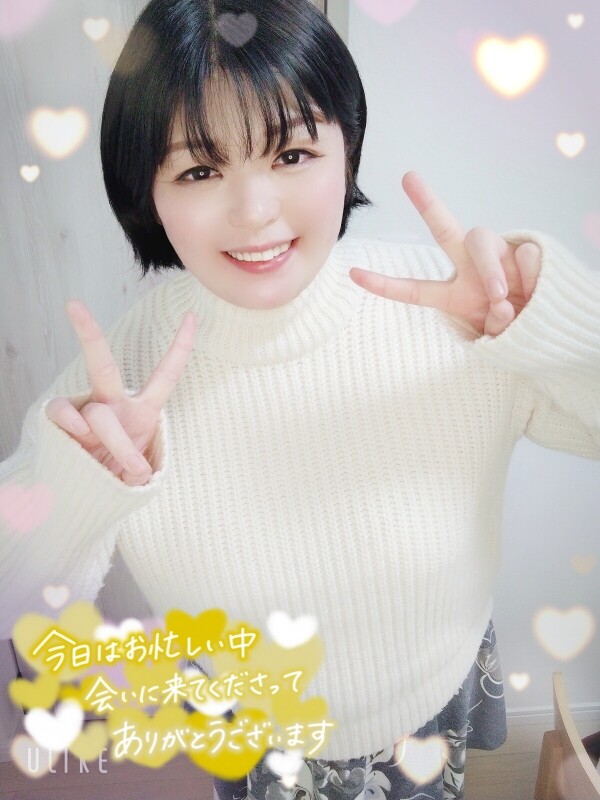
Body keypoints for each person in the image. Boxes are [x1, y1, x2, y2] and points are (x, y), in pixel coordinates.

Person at [1, 0, 599, 798]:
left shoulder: (461, 308)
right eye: (199, 170)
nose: (255, 213)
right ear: (146, 189)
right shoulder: (118, 388)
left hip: (433, 687)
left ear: (346, 150)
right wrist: (80, 493)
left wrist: (550, 323)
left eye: (291, 153)